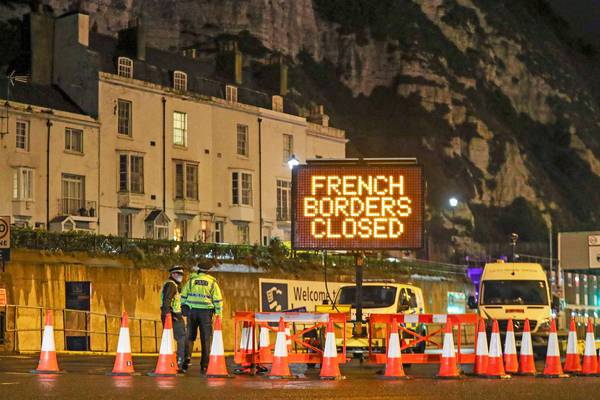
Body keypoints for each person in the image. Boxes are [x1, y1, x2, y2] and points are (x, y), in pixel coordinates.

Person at [181, 263, 223, 374]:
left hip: (192, 311)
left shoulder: (191, 281)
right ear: (208, 271)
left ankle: (187, 358)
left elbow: (183, 295)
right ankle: (204, 366)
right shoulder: (212, 283)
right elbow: (218, 300)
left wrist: (184, 305)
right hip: (206, 313)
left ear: (198, 271)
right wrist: (219, 314)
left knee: (190, 336)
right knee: (206, 339)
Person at [160, 266, 190, 372]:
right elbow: (167, 301)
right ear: (173, 274)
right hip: (173, 315)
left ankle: (174, 362)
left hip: (172, 314)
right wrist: (170, 315)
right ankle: (179, 363)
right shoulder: (171, 285)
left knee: (173, 339)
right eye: (178, 274)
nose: (180, 276)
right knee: (181, 338)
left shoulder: (175, 285)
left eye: (181, 274)